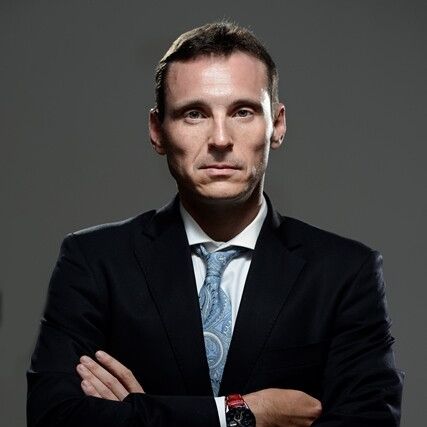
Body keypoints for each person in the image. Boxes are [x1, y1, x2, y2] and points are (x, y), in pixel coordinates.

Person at [27, 21, 403, 427]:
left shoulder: (345, 273)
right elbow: (54, 417)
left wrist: (140, 415)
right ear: (158, 131)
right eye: (194, 114)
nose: (220, 139)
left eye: (242, 112)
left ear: (276, 126)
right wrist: (244, 412)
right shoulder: (94, 262)